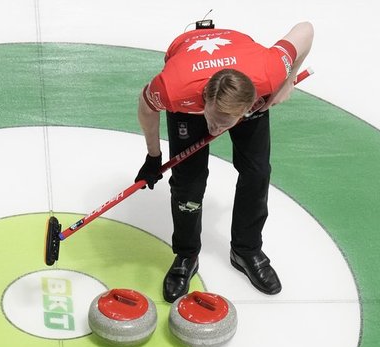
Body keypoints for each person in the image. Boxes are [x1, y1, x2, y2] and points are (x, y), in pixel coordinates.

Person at [135, 21, 314, 300]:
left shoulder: (269, 73)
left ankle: (247, 249)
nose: (216, 130)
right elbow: (146, 107)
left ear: (248, 106)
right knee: (187, 183)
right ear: (205, 101)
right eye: (213, 120)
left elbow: (306, 30)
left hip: (247, 73)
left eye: (225, 124)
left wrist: (286, 82)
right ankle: (186, 254)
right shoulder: (173, 89)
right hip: (189, 80)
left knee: (257, 172)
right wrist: (153, 156)